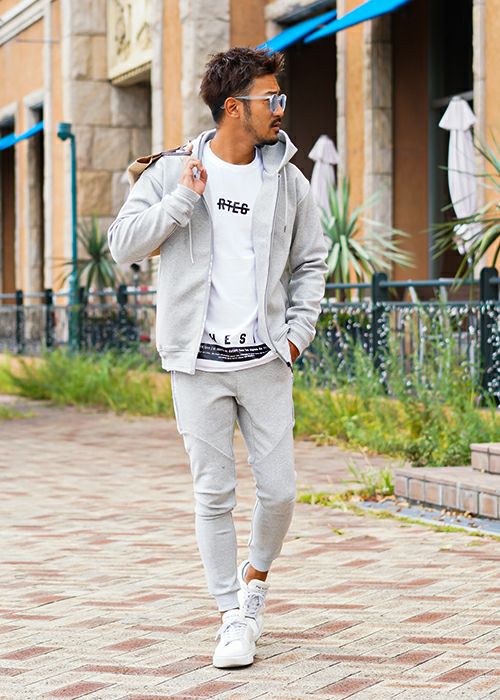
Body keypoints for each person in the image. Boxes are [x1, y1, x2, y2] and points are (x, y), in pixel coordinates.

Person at [108, 47, 328, 669]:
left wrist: (296, 335)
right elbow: (122, 244)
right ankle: (232, 614)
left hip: (264, 361)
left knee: (280, 492)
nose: (280, 109)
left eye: (281, 98)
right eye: (270, 99)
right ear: (234, 107)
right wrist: (181, 200)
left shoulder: (288, 180)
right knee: (214, 493)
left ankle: (255, 579)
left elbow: (312, 261)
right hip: (197, 365)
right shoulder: (171, 171)